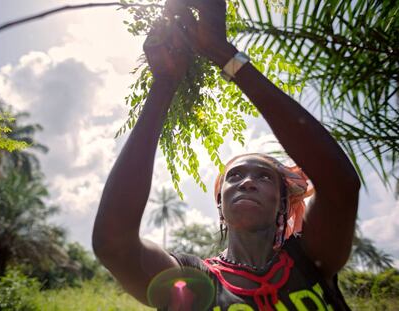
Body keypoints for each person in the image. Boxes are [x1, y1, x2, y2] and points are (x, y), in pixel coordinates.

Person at [92, 0, 361, 310]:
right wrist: (164, 84)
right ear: (220, 204)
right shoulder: (194, 282)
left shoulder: (312, 259)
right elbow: (113, 245)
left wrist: (225, 55)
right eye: (235, 176)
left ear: (283, 202)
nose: (247, 182)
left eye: (264, 177)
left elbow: (341, 185)